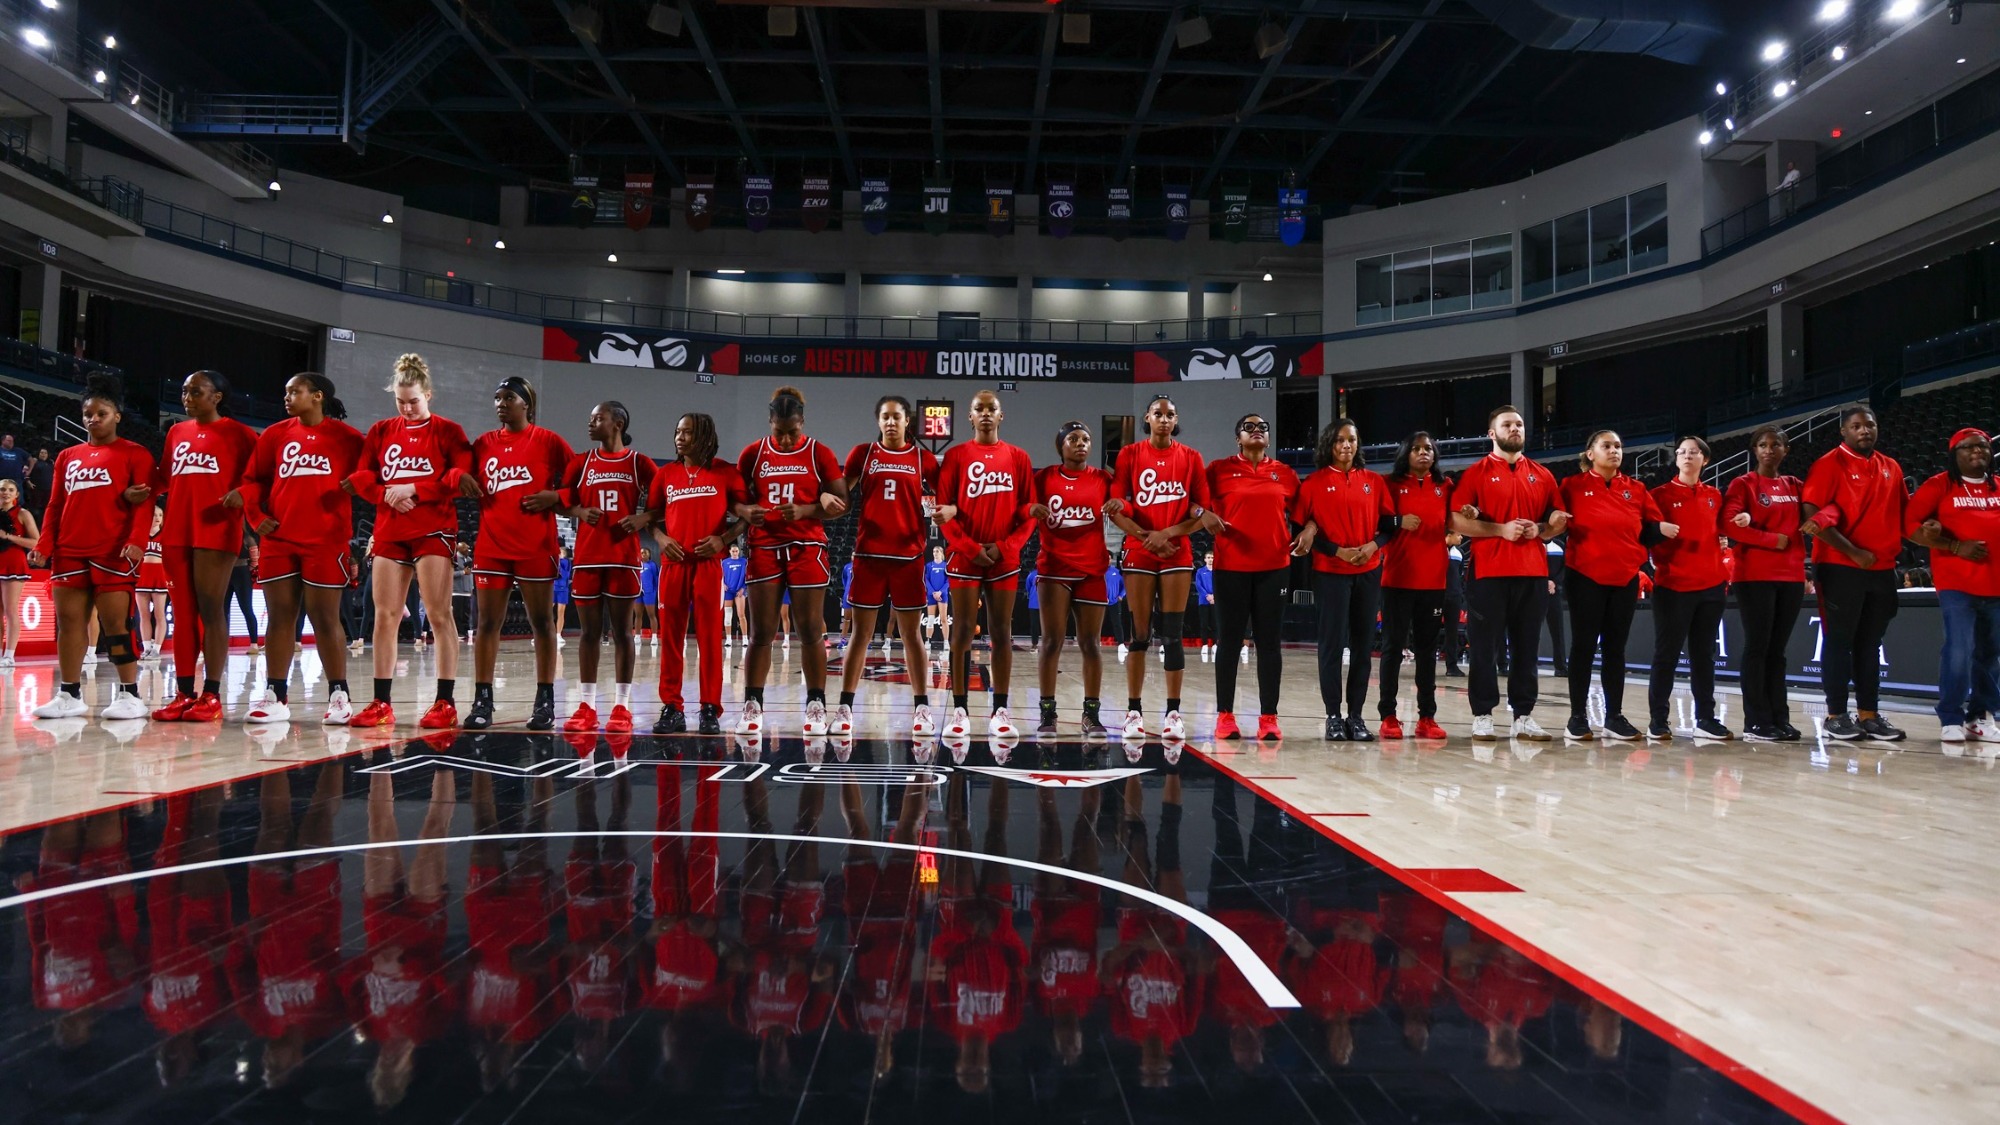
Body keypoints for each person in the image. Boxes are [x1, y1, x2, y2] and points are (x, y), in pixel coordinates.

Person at [346, 353, 474, 729]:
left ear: (429, 395)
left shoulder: (449, 431)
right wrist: (387, 492)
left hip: (433, 528)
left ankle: (445, 701)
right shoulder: (382, 430)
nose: (407, 407)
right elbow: (362, 475)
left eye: (414, 400)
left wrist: (415, 488)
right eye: (400, 401)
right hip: (390, 529)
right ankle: (381, 702)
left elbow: (460, 474)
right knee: (384, 616)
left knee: (438, 614)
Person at [231, 373, 367, 724]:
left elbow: (373, 477)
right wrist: (255, 515)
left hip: (326, 540)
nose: (287, 397)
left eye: (295, 391)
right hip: (279, 538)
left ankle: (339, 695)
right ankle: (275, 695)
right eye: (286, 391)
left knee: (325, 618)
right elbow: (251, 481)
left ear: (317, 396)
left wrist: (360, 484)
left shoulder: (349, 439)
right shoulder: (275, 434)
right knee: (279, 618)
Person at [29, 375, 154, 720]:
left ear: (118, 416)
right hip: (70, 549)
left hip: (113, 550)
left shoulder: (135, 454)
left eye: (101, 413)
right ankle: (69, 694)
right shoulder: (68, 455)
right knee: (69, 623)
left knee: (117, 623)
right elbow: (55, 506)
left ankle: (130, 694)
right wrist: (45, 543)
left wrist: (136, 541)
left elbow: (145, 503)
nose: (93, 419)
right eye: (88, 414)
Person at [734, 385, 849, 737]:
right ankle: (753, 705)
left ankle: (816, 704)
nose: (785, 440)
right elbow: (736, 501)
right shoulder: (752, 454)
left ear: (802, 422)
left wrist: (806, 509)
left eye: (792, 432)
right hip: (765, 546)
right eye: (779, 432)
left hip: (806, 547)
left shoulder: (819, 453)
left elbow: (842, 502)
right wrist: (745, 511)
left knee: (812, 630)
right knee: (761, 632)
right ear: (770, 422)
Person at [1449, 405, 1568, 741]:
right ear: (1492, 433)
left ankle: (1524, 716)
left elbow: (1554, 521)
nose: (1515, 429)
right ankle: (1483, 714)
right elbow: (1456, 520)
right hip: (1488, 572)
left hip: (1531, 572)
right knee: (1484, 648)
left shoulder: (1543, 475)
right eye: (1507, 424)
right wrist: (1500, 529)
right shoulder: (1475, 473)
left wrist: (1543, 527)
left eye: (1519, 424)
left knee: (1527, 647)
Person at [462, 376, 572, 730]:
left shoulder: (548, 441)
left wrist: (556, 498)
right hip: (492, 547)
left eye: (508, 397)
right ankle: (482, 700)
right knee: (486, 624)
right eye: (496, 397)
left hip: (536, 546)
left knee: (542, 623)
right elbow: (460, 478)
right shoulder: (481, 444)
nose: (500, 403)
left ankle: (544, 700)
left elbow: (579, 482)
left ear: (527, 404)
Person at [833, 396, 940, 737]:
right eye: (885, 417)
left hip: (908, 558)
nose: (891, 422)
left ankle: (922, 709)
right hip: (869, 557)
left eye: (897, 417)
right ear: (878, 421)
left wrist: (944, 510)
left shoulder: (923, 459)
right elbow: (839, 493)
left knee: (912, 636)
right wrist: (826, 497)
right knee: (860, 636)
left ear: (908, 421)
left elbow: (946, 497)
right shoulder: (863, 454)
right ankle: (844, 708)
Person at [1106, 394, 1211, 742]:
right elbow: (1117, 506)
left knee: (1173, 634)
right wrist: (1145, 536)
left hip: (1176, 550)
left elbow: (1201, 511)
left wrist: (1166, 533)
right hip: (1139, 550)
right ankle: (1133, 711)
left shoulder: (1191, 457)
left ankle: (1173, 713)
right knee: (1138, 634)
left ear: (1175, 419)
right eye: (1157, 414)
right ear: (1147, 419)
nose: (1164, 419)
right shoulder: (1129, 455)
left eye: (1169, 414)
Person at [1800, 406, 1907, 741]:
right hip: (1839, 567)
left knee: (1870, 643)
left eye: (1870, 425)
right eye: (1857, 426)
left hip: (1882, 568)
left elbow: (1905, 513)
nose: (1865, 431)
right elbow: (1811, 514)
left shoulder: (1891, 466)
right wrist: (1853, 551)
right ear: (1843, 432)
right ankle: (1835, 715)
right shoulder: (1828, 464)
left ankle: (1869, 714)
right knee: (1840, 641)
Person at [936, 389, 1037, 741]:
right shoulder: (955, 456)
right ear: (970, 415)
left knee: (1002, 633)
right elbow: (943, 512)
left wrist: (1004, 547)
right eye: (978, 408)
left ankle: (1000, 710)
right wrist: (969, 547)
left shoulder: (1019, 457)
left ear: (1001, 415)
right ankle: (960, 709)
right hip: (965, 557)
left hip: (1002, 559)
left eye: (991, 409)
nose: (985, 414)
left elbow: (1029, 514)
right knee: (962, 630)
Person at [1556, 430, 1668, 741]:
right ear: (1590, 453)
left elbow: (1650, 529)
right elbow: (1552, 519)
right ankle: (1577, 716)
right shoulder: (1571, 486)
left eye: (1618, 446)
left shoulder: (1636, 488)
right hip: (1584, 577)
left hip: (1625, 578)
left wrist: (1662, 530)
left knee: (1615, 650)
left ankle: (1613, 716)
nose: (1614, 450)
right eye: (1606, 446)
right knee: (1583, 647)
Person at [1293, 418, 1391, 741]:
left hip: (1368, 571)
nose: (1346, 445)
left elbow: (1389, 526)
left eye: (1351, 439)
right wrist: (1338, 551)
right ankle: (1333, 715)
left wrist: (1372, 545)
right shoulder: (1312, 484)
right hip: (1330, 574)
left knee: (1363, 648)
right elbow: (1301, 529)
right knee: (1332, 647)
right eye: (1339, 440)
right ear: (1329, 445)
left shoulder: (1375, 482)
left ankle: (1357, 716)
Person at [562, 401, 656, 734]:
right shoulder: (582, 461)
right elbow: (561, 498)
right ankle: (586, 705)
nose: (590, 424)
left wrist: (644, 517)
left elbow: (665, 498)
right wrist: (577, 511)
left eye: (597, 418)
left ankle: (622, 706)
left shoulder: (639, 462)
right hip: (587, 558)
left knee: (622, 634)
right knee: (588, 634)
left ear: (617, 423)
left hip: (622, 558)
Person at [648, 411, 745, 735]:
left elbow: (746, 516)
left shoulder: (726, 472)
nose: (679, 437)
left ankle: (709, 709)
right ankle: (672, 707)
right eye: (677, 431)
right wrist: (661, 539)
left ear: (703, 435)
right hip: (673, 566)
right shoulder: (665, 475)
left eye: (687, 432)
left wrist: (724, 539)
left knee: (710, 640)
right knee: (671, 639)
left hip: (709, 566)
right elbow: (651, 516)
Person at [1205, 412, 1299, 742]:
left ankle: (1268, 717)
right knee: (1229, 643)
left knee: (1270, 644)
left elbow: (1306, 514)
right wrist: (1202, 514)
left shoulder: (1285, 474)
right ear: (1238, 438)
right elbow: (1193, 502)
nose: (1257, 431)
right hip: (1231, 567)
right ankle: (1225, 715)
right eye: (1249, 427)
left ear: (1269, 438)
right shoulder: (1218, 470)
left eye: (1262, 428)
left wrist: (1311, 531)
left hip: (1274, 567)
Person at [1905, 427, 1999, 743]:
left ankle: (1980, 716)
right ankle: (1950, 715)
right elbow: (1910, 526)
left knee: (1991, 654)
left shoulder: (1997, 486)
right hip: (1957, 584)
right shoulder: (1939, 486)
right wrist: (1954, 546)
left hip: (1997, 585)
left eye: (1984, 446)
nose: (1978, 451)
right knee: (1960, 650)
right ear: (1954, 454)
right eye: (1969, 447)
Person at [1724, 425, 1808, 743]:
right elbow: (1729, 524)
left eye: (1776, 444)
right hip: (1755, 576)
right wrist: (1774, 540)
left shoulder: (1796, 485)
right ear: (1754, 450)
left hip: (1791, 577)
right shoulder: (1743, 484)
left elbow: (1822, 508)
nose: (1769, 449)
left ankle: (1779, 718)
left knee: (1778, 651)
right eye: (1762, 444)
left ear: (1786, 450)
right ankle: (1756, 721)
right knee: (1758, 648)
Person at [1033, 420, 1114, 737]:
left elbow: (1125, 504)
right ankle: (1048, 712)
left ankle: (1091, 714)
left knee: (1091, 644)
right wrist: (1030, 507)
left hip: (1092, 569)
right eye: (1073, 438)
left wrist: (1122, 503)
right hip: (1054, 569)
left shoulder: (1103, 479)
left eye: (1086, 439)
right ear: (1060, 446)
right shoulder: (1044, 478)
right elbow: (1022, 503)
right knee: (1050, 642)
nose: (1081, 443)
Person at [1647, 437, 1732, 739]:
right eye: (1681, 452)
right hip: (1673, 586)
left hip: (1710, 587)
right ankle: (1658, 720)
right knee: (1666, 655)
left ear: (1704, 460)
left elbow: (1723, 531)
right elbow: (1645, 534)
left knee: (1703, 656)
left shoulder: (1715, 495)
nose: (1686, 456)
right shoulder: (1659, 495)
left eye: (1693, 452)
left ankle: (1706, 718)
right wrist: (1658, 532)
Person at [1377, 432, 1453, 741]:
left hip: (1433, 581)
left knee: (1426, 650)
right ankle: (1388, 716)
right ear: (1405, 453)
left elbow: (1457, 518)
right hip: (1397, 579)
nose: (1424, 453)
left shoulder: (1445, 486)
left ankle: (1427, 717)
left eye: (1429, 449)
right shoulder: (1389, 484)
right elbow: (1378, 522)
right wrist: (1398, 521)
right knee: (1393, 649)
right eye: (1417, 449)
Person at [0, 478, 39, 666]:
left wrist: (8, 536)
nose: (5, 492)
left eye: (10, 490)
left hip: (13, 563)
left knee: (10, 610)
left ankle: (9, 655)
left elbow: (36, 541)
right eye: (2, 489)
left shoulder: (23, 514)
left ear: (16, 494)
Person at [924, 545, 949, 651]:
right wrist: (933, 592)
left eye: (937, 551)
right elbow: (926, 579)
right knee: (930, 619)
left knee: (944, 619)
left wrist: (940, 592)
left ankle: (946, 642)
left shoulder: (945, 565)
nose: (935, 553)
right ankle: (928, 641)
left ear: (941, 553)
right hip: (931, 594)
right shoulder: (929, 565)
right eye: (934, 551)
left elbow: (949, 580)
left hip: (942, 594)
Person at [723, 542, 747, 645]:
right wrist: (723, 584)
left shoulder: (744, 561)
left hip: (739, 591)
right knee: (728, 615)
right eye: (733, 551)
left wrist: (743, 588)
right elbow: (720, 576)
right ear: (729, 551)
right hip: (728, 591)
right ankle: (728, 638)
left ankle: (745, 638)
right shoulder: (724, 562)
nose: (735, 553)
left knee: (741, 614)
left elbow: (747, 576)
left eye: (736, 551)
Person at [1192, 553, 1215, 657]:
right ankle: (1205, 644)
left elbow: (1220, 584)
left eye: (1212, 558)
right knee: (1204, 624)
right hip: (1203, 601)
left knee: (1215, 624)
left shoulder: (1217, 572)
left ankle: (1215, 644)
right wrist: (1207, 596)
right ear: (1205, 559)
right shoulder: (1200, 571)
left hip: (1215, 601)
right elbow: (1198, 585)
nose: (1210, 559)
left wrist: (1214, 596)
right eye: (1209, 557)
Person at [638, 549, 661, 648]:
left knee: (651, 615)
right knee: (638, 615)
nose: (642, 554)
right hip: (638, 592)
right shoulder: (636, 564)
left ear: (649, 555)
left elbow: (657, 580)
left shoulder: (652, 565)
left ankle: (654, 636)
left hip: (649, 592)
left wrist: (654, 591)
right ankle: (637, 636)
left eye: (645, 553)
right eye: (641, 552)